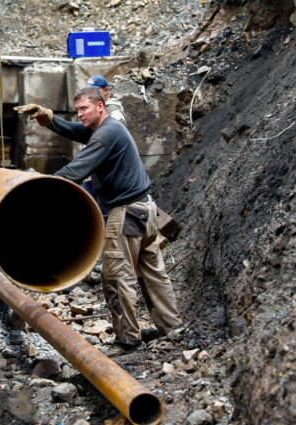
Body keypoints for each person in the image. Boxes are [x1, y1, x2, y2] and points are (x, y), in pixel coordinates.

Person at [14, 87, 182, 357]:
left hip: (126, 213)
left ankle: (128, 339)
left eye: (85, 109)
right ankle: (173, 328)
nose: (80, 114)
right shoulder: (107, 127)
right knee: (153, 273)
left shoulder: (104, 136)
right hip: (147, 210)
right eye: (78, 109)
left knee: (116, 277)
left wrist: (38, 187)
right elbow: (74, 131)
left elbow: (76, 169)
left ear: (101, 106)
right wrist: (49, 118)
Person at [82, 75, 126, 223]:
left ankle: (105, 246)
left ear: (105, 90)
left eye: (96, 91)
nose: (91, 95)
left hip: (105, 178)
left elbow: (112, 141)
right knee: (92, 217)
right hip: (91, 176)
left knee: (104, 217)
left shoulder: (114, 112)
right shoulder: (92, 112)